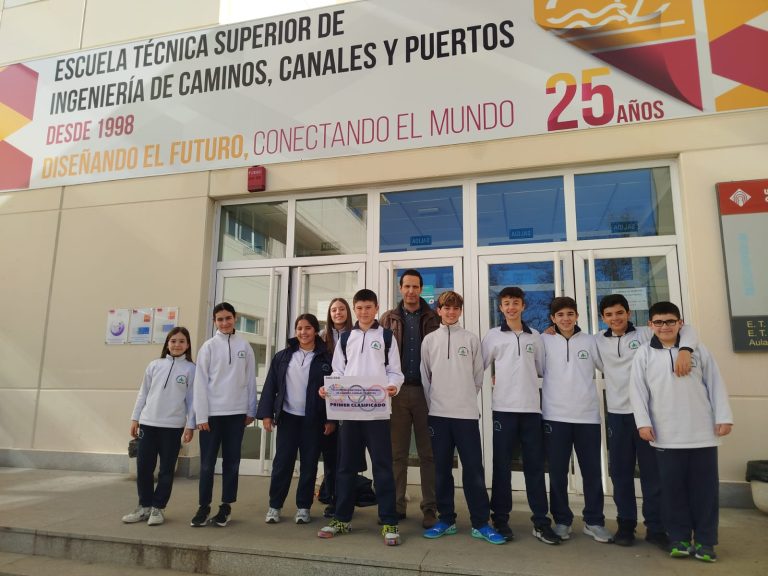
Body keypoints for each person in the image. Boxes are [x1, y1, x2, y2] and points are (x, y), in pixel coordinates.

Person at [630, 301, 733, 563]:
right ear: (650, 325)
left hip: (702, 434)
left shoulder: (698, 351)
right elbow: (638, 392)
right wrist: (643, 423)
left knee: (705, 492)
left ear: (680, 323)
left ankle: (707, 542)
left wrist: (724, 417)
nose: (665, 327)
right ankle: (679, 539)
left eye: (670, 321)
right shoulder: (644, 354)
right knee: (672, 491)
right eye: (659, 322)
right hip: (666, 435)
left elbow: (716, 384)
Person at [596, 293, 697, 548]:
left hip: (649, 416)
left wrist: (685, 349)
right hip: (617, 416)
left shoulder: (644, 333)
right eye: (609, 314)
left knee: (653, 475)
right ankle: (626, 526)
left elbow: (688, 329)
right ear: (603, 318)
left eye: (620, 313)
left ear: (629, 314)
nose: (615, 318)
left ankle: (656, 528)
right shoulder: (597, 340)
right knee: (620, 474)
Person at [317, 288, 404, 545]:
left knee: (383, 467)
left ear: (376, 308)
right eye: (360, 308)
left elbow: (395, 372)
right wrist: (328, 390)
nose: (364, 312)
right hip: (351, 414)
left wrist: (393, 387)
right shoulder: (346, 339)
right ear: (355, 310)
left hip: (377, 414)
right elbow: (337, 372)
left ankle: (389, 521)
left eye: (369, 307)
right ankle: (342, 519)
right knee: (345, 468)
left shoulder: (387, 337)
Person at [420, 291, 505, 545]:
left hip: (466, 415)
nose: (451, 312)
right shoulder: (429, 340)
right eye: (447, 308)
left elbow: (478, 377)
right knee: (442, 471)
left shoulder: (470, 339)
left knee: (473, 470)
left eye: (456, 308)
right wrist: (436, 403)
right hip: (438, 415)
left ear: (460, 311)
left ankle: (481, 522)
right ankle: (446, 519)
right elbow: (426, 377)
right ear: (439, 310)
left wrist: (465, 398)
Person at [482, 287, 561, 545]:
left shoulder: (535, 337)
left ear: (523, 306)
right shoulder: (493, 336)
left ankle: (540, 521)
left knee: (535, 468)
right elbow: (478, 366)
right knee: (501, 468)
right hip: (503, 409)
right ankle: (501, 519)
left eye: (516, 303)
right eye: (506, 303)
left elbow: (540, 369)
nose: (511, 307)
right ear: (501, 308)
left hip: (530, 411)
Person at [541, 297, 612, 543]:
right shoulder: (544, 341)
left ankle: (594, 521)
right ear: (552, 318)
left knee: (592, 472)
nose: (566, 319)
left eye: (570, 314)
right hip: (555, 415)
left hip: (587, 416)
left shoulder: (591, 341)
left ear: (577, 316)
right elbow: (533, 368)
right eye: (560, 315)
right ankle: (561, 520)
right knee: (558, 472)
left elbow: (607, 366)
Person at [257, 314, 335, 525]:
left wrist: (330, 420)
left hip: (314, 420)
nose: (303, 332)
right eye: (299, 328)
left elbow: (332, 391)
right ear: (295, 331)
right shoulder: (283, 356)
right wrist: (266, 414)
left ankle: (303, 507)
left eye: (308, 328)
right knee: (282, 463)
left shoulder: (326, 358)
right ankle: (275, 506)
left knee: (309, 464)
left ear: (315, 331)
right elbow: (270, 386)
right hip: (288, 419)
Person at [380, 269, 440, 528]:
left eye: (416, 287)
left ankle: (429, 508)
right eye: (407, 286)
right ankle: (396, 505)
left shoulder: (433, 317)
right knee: (397, 454)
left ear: (421, 289)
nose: (411, 291)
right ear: (400, 288)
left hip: (427, 393)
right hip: (397, 393)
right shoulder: (388, 318)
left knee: (429, 455)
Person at [191, 302, 257, 528]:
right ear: (214, 321)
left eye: (228, 318)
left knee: (232, 462)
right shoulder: (208, 347)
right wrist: (201, 416)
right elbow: (200, 383)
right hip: (211, 416)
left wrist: (251, 410)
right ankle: (203, 506)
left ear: (235, 318)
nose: (224, 322)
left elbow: (250, 380)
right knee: (207, 464)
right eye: (220, 319)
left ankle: (226, 506)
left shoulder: (244, 345)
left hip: (236, 414)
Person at [122, 327, 196, 526]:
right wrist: (135, 418)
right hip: (148, 423)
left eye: (182, 341)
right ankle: (144, 506)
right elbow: (143, 394)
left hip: (172, 427)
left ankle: (158, 507)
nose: (177, 345)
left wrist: (190, 426)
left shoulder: (191, 369)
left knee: (166, 470)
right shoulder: (154, 365)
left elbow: (192, 401)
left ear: (187, 345)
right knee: (144, 467)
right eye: (173, 341)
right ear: (167, 344)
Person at [317, 297, 353, 517]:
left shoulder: (357, 334)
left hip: (352, 399)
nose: (338, 313)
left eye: (341, 309)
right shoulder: (322, 337)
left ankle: (345, 496)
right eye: (333, 310)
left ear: (348, 312)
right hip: (328, 398)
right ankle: (332, 496)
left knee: (347, 454)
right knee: (330, 453)